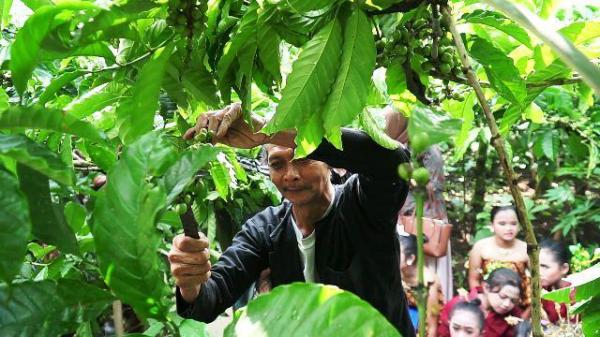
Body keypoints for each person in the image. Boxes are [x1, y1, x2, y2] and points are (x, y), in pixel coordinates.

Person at [168, 103, 416, 337]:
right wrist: (190, 282)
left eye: (303, 158)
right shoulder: (265, 230)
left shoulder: (361, 205)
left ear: (329, 164)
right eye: (277, 165)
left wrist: (269, 131)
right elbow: (211, 298)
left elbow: (392, 161)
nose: (291, 175)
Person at [383, 106, 454, 301]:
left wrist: (406, 175)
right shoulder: (396, 145)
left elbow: (434, 183)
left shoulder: (425, 144)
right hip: (402, 217)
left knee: (426, 269)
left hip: (424, 218)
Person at [468, 205, 531, 311]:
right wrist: (482, 305)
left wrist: (526, 314)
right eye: (502, 224)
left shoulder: (527, 249)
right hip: (487, 304)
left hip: (518, 306)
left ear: (519, 226)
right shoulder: (480, 247)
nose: (509, 228)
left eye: (513, 223)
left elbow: (537, 282)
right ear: (492, 225)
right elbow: (473, 279)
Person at [438, 268, 524, 337]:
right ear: (486, 287)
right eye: (502, 296)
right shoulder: (457, 304)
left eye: (513, 301)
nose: (507, 304)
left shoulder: (514, 314)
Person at [398, 232, 444, 337]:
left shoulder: (429, 283)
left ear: (410, 259)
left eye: (398, 252)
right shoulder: (398, 273)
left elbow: (432, 327)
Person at [539, 239, 574, 324]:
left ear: (564, 268)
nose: (538, 271)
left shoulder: (576, 292)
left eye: (544, 266)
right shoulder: (542, 289)